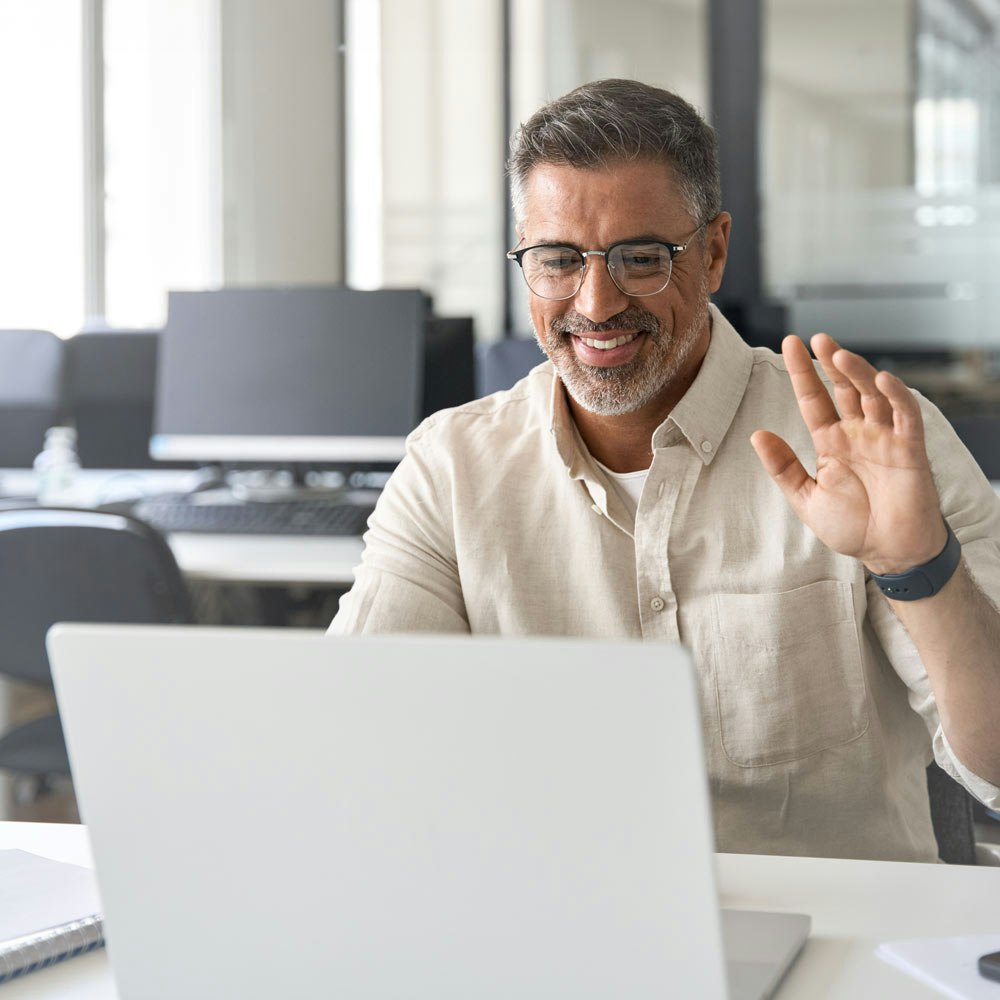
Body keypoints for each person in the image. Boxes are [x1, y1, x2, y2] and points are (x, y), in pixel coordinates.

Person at [331, 78, 1000, 863]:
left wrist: (917, 565)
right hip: (558, 926)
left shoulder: (867, 446)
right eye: (556, 259)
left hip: (833, 940)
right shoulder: (453, 467)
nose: (597, 301)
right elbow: (355, 745)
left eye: (640, 258)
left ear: (713, 252)